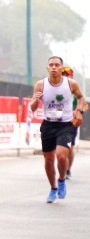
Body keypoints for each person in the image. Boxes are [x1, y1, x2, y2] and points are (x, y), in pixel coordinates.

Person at [29, 56, 85, 203]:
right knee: (48, 159)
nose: (54, 67)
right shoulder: (40, 85)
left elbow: (81, 98)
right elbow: (33, 108)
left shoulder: (70, 83)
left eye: (57, 65)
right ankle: (53, 188)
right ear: (47, 68)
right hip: (48, 125)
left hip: (65, 125)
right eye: (51, 65)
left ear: (61, 68)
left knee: (61, 155)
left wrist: (79, 111)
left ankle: (61, 180)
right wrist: (35, 100)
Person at [61, 66, 85, 179]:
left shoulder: (75, 90)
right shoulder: (55, 88)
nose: (65, 77)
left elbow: (84, 104)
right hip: (58, 122)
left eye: (68, 75)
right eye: (63, 75)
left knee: (69, 146)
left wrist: (78, 111)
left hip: (71, 123)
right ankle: (62, 167)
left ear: (71, 77)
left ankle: (68, 170)